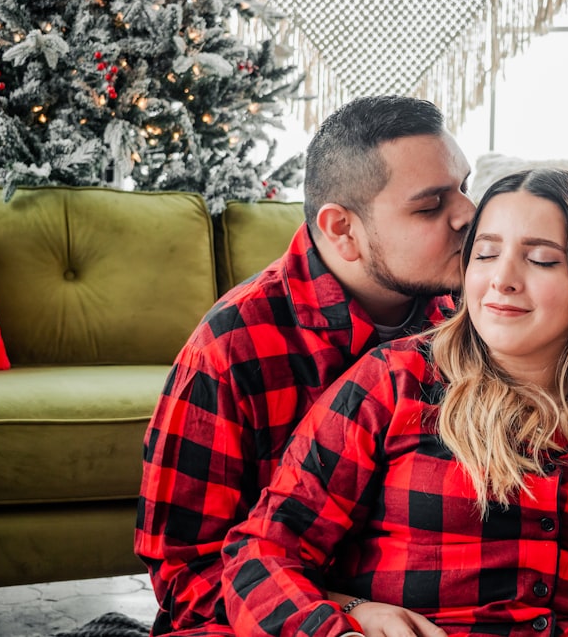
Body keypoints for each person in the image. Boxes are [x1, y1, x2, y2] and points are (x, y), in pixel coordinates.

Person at [220, 168, 568, 637]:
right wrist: (343, 626)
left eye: (542, 260)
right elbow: (264, 553)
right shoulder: (393, 382)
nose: (503, 279)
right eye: (485, 254)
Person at [135, 95, 475, 636]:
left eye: (464, 186)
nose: (468, 215)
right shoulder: (231, 348)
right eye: (430, 205)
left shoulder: (472, 317)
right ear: (341, 228)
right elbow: (188, 579)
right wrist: (345, 612)